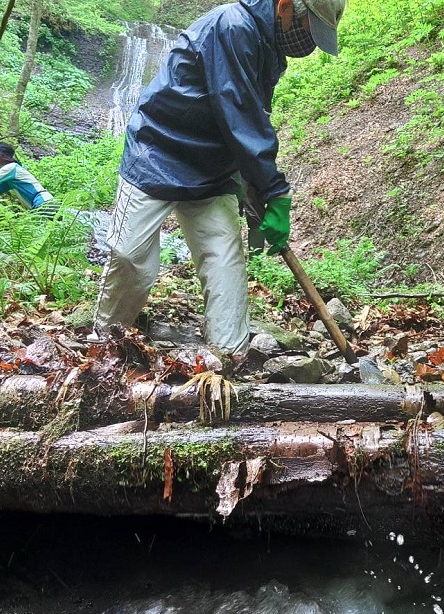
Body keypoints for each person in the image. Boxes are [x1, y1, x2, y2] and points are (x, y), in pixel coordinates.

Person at [89, 0, 347, 354]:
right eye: (307, 28)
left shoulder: (269, 47)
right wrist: (276, 191)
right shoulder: (232, 26)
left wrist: (256, 188)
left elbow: (250, 119)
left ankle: (228, 359)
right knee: (132, 260)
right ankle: (105, 348)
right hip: (158, 149)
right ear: (285, 6)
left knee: (224, 261)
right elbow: (239, 112)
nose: (307, 40)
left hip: (214, 167)